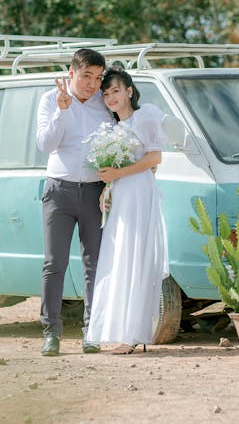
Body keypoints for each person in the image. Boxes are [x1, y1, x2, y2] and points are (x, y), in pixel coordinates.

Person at [84, 67, 169, 354]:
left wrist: (119, 173)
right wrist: (107, 189)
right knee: (118, 258)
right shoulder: (113, 129)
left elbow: (155, 157)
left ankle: (133, 334)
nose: (111, 98)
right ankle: (118, 331)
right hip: (121, 195)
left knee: (134, 257)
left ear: (129, 91)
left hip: (139, 192)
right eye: (106, 94)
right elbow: (115, 170)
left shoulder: (145, 117)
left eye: (116, 91)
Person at [35, 48, 113, 356]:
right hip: (60, 192)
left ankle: (91, 331)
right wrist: (62, 111)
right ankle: (50, 333)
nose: (92, 85)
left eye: (97, 78)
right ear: (71, 74)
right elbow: (45, 144)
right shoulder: (49, 100)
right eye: (86, 77)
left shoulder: (103, 105)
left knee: (95, 263)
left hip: (94, 193)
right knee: (55, 263)